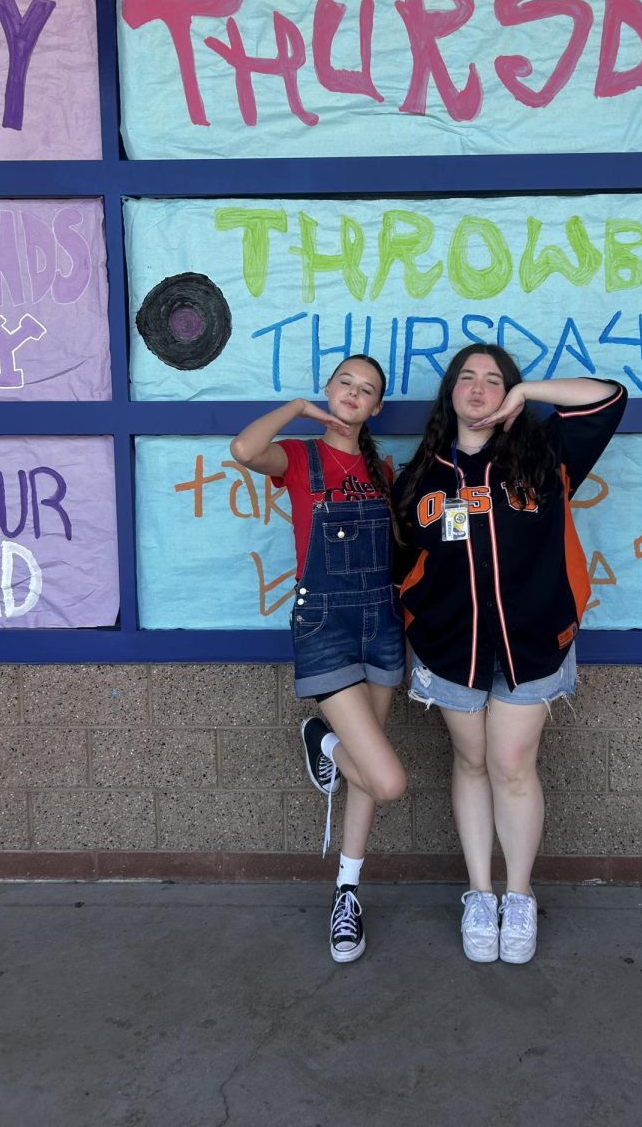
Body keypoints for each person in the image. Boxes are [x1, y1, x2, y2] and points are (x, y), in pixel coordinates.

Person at [393, 344, 626, 964]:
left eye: (494, 380)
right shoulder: (418, 476)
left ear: (508, 394)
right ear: (448, 393)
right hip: (451, 650)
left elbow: (608, 396)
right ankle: (479, 894)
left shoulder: (544, 455)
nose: (478, 388)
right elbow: (401, 566)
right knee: (471, 764)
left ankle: (518, 896)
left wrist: (531, 395)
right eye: (465, 377)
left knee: (512, 764)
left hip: (531, 644)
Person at [231, 354, 406, 964]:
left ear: (378, 407)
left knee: (370, 770)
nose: (353, 395)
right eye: (344, 385)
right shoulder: (301, 457)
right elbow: (244, 449)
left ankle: (347, 893)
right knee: (385, 778)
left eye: (367, 391)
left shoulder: (383, 471)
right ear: (329, 390)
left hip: (382, 626)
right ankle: (322, 740)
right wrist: (301, 412)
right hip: (325, 626)